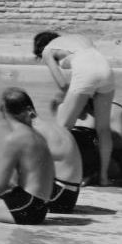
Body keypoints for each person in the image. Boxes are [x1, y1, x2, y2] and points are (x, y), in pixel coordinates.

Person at [33, 30, 116, 185]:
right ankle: (104, 177)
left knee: (62, 129)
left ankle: (55, 175)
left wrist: (73, 100)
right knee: (103, 129)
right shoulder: (80, 38)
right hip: (106, 70)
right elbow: (91, 62)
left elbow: (63, 84)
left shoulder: (47, 50)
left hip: (86, 73)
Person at [0, 88, 57, 225]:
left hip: (28, 207)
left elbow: (1, 185)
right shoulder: (37, 135)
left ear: (4, 111)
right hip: (39, 206)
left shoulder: (15, 138)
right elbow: (13, 184)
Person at [67, 98, 122, 184]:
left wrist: (96, 140)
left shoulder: (113, 110)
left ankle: (91, 174)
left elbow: (121, 144)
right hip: (93, 153)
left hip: (121, 160)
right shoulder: (70, 107)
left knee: (84, 140)